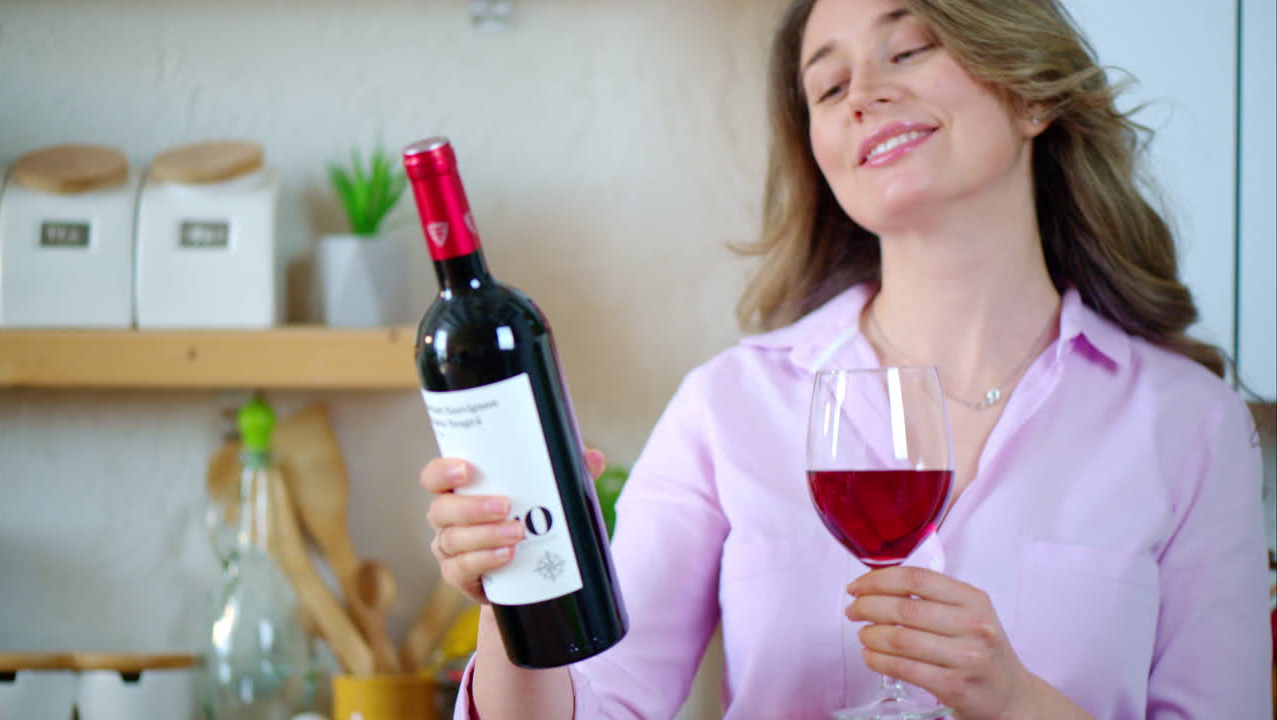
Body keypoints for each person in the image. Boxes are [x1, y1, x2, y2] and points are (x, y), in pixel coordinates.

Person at [421, 0, 1272, 717]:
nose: (865, 93)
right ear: (823, 156)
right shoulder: (730, 406)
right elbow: (597, 706)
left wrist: (1014, 701)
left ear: (1030, 93)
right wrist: (515, 594)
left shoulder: (1190, 423)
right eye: (829, 86)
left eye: (908, 49)